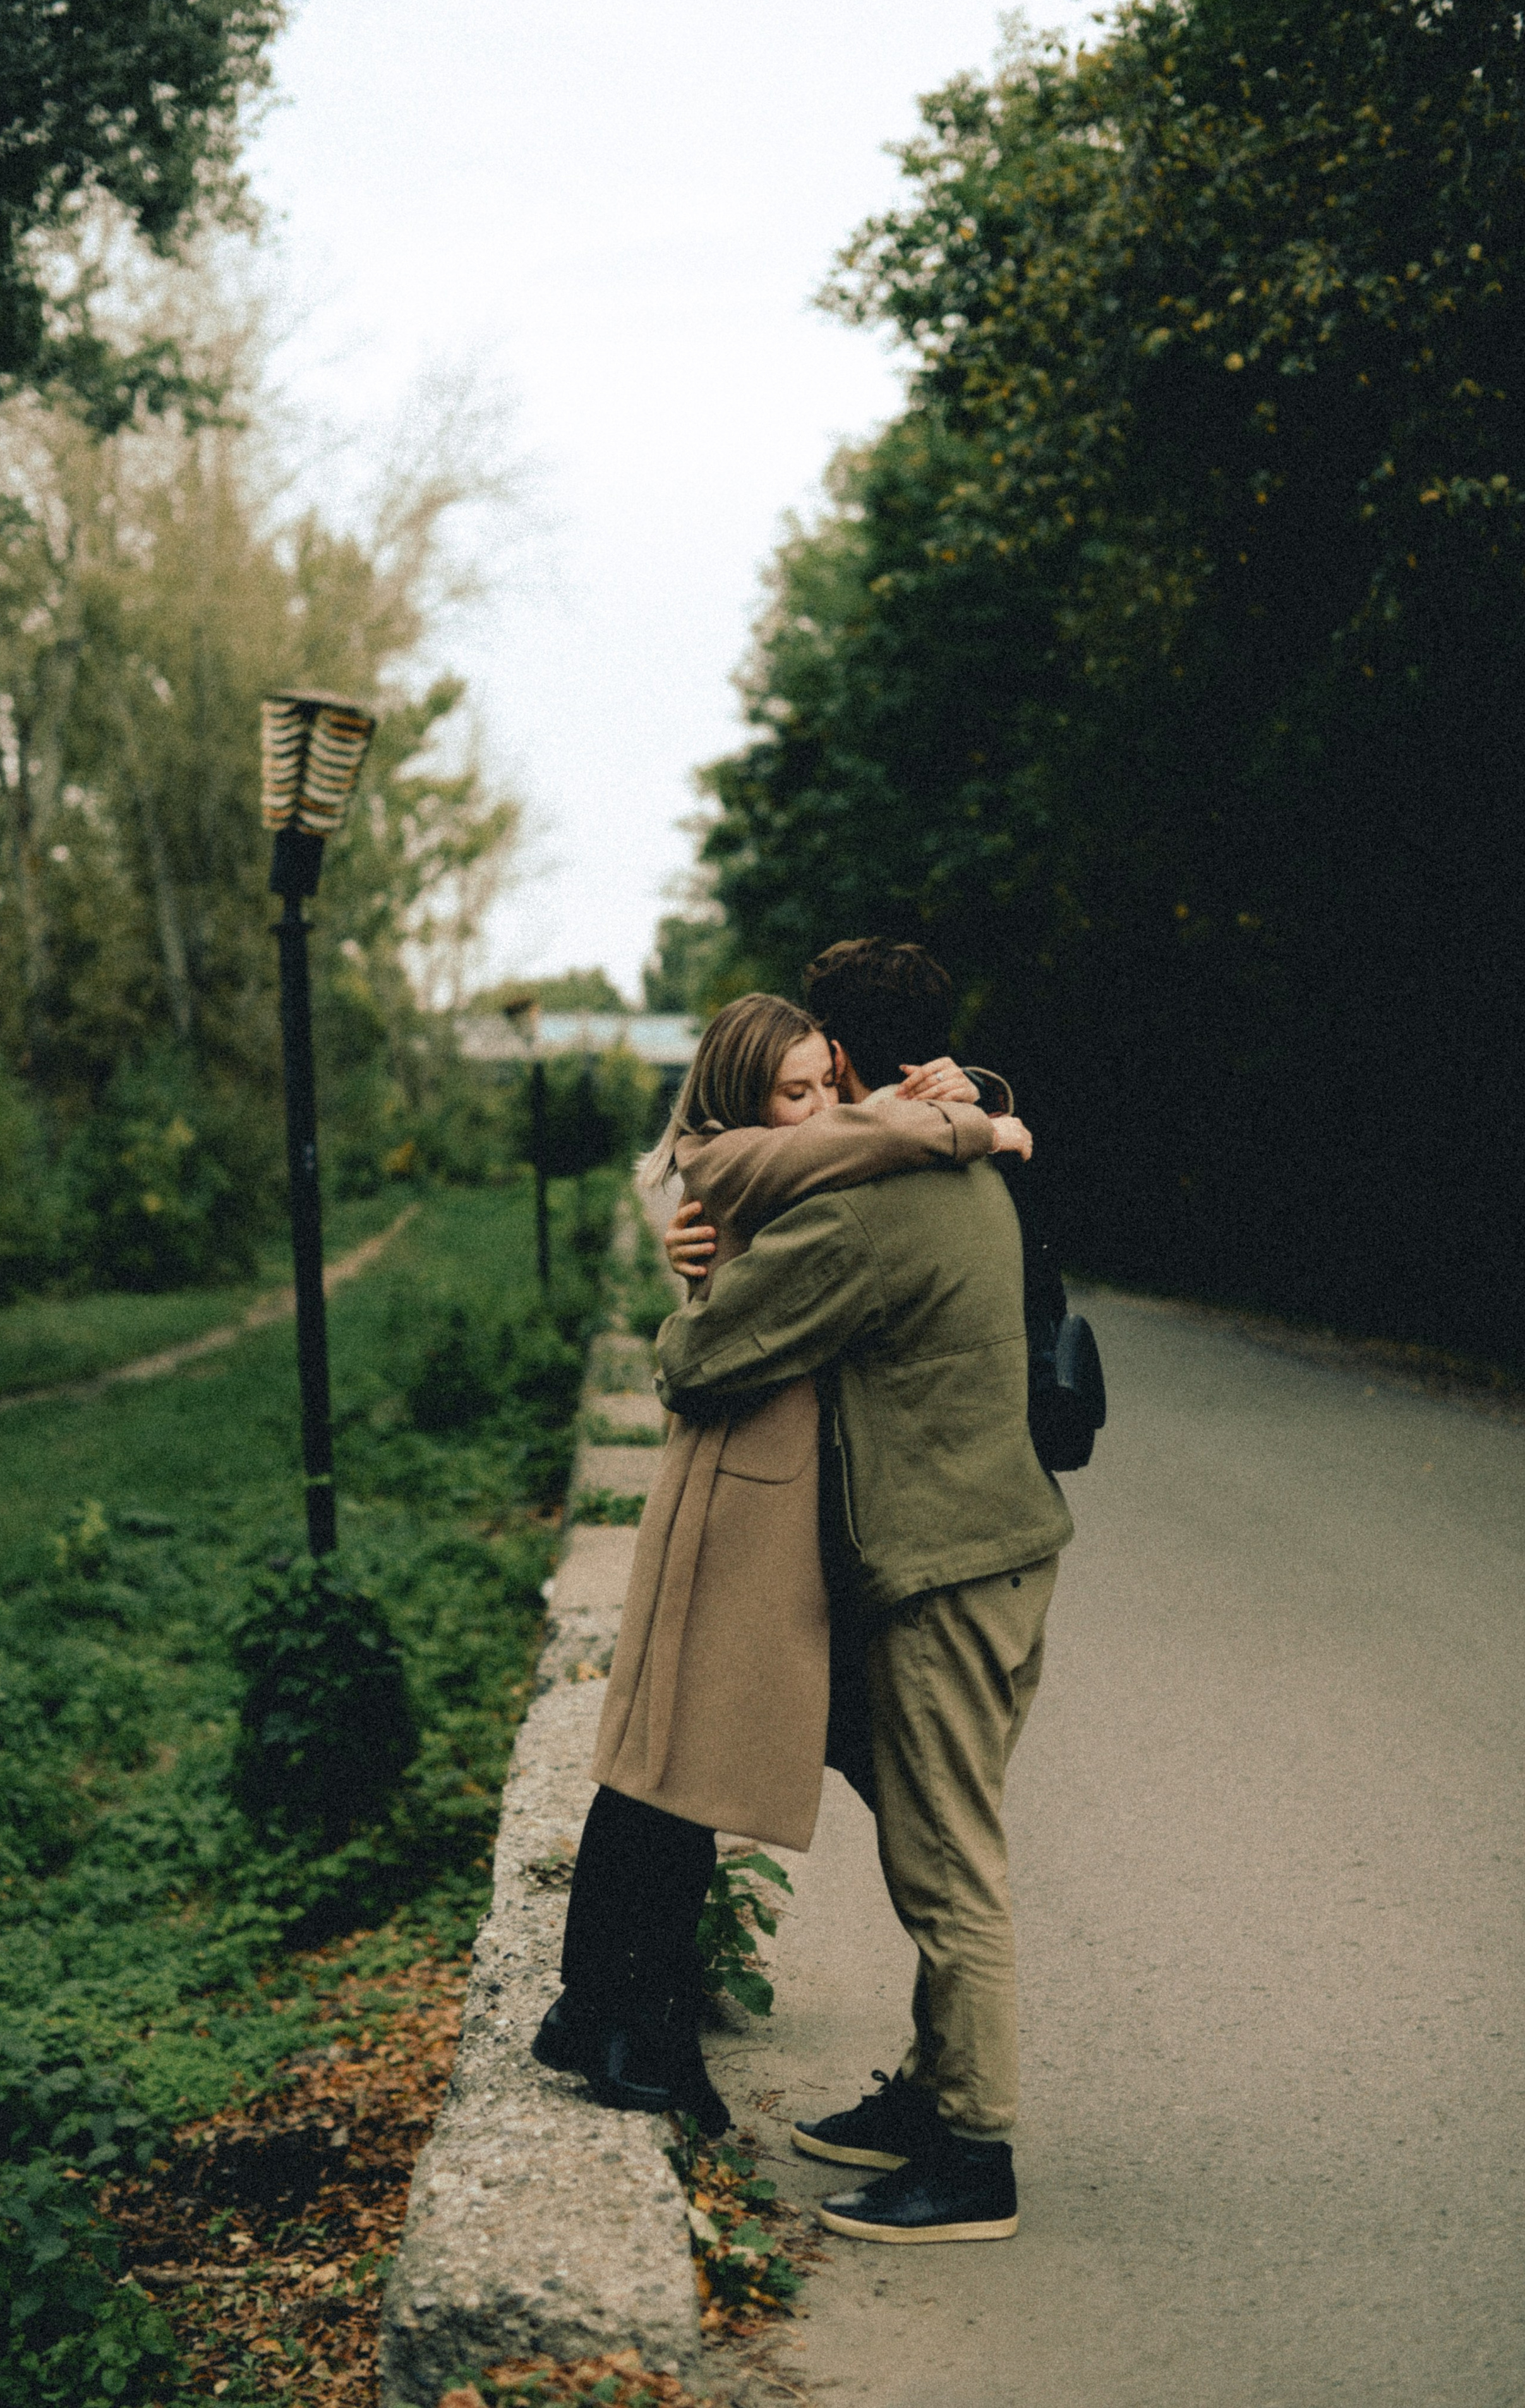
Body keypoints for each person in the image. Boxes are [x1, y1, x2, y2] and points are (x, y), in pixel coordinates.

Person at [531, 992, 1024, 2136]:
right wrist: (975, 1126)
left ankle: (601, 2007)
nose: (815, 1110)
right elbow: (851, 1147)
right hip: (736, 1484)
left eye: (823, 1082)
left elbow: (859, 1135)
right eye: (788, 1092)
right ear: (741, 1101)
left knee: (674, 1755)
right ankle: (623, 2021)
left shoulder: (783, 1162)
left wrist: (971, 1097)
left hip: (764, 1480)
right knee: (678, 1761)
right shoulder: (738, 1154)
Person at [655, 939, 1075, 2244]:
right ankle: (934, 2088)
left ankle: (972, 2156)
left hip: (943, 1573)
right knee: (920, 1820)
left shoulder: (867, 1209)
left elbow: (704, 1356)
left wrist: (692, 1285)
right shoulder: (952, 1158)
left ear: (837, 1056)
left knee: (948, 1860)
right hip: (996, 1552)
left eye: (810, 1062)